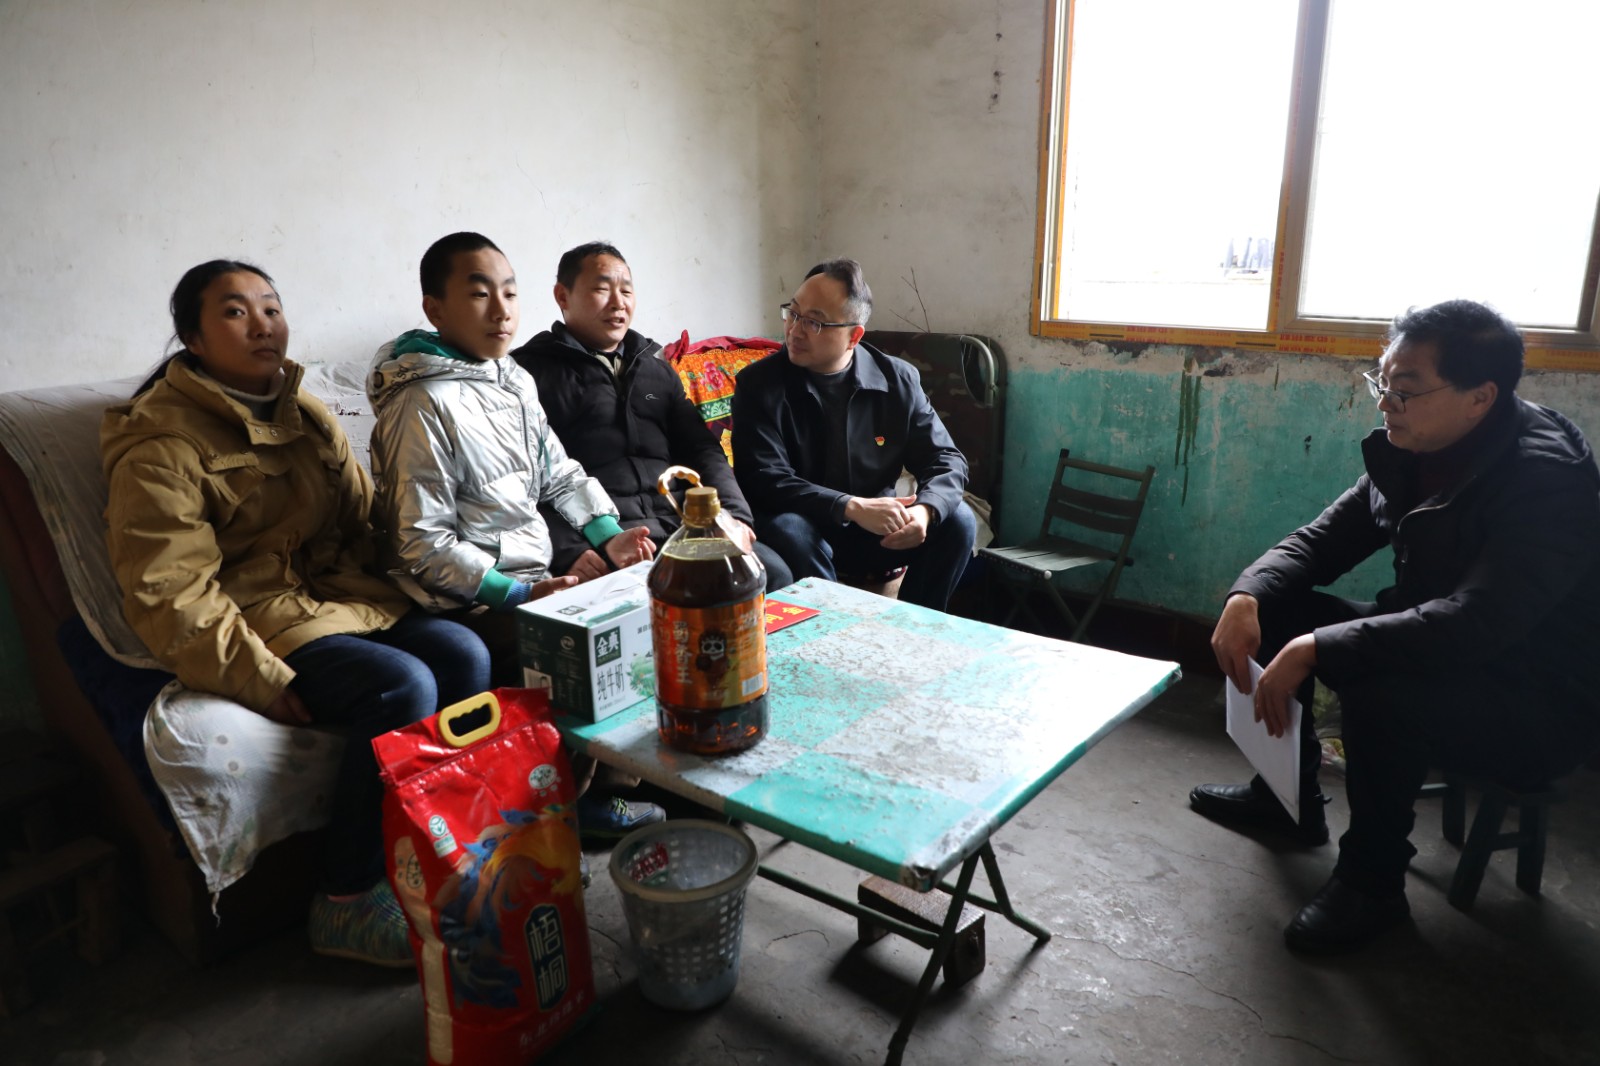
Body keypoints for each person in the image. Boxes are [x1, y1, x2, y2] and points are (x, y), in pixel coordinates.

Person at [102, 259, 492, 967]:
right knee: (400, 686)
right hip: (259, 620)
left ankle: (434, 845)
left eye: (271, 308)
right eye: (235, 312)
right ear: (193, 338)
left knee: (465, 651)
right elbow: (169, 591)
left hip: (338, 599)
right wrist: (254, 677)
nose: (262, 325)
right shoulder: (160, 444)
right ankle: (346, 895)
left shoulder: (301, 410)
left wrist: (463, 572)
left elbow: (362, 520)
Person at [1190, 299, 1600, 953]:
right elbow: (1321, 541)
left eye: (1405, 390)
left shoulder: (1546, 480)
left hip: (1532, 696)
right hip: (1444, 642)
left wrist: (1322, 647)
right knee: (1279, 609)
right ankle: (1285, 796)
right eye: (1381, 384)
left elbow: (1479, 622)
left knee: (1381, 688)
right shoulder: (1416, 447)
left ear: (1480, 398)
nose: (1385, 404)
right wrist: (1247, 594)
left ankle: (1372, 884)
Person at [366, 231, 664, 843]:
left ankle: (602, 789)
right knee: (581, 647)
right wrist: (518, 595)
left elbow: (559, 473)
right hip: (463, 598)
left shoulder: (510, 379)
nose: (501, 311)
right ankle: (559, 813)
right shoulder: (421, 403)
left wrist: (609, 537)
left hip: (528, 578)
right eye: (480, 294)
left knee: (643, 610)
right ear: (435, 309)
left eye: (509, 292)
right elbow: (420, 544)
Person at [510, 241, 792, 590]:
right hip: (608, 541)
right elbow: (521, 482)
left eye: (626, 291)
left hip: (683, 527)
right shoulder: (529, 375)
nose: (619, 303)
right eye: (602, 289)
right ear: (562, 296)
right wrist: (568, 549)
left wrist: (731, 516)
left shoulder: (654, 368)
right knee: (651, 597)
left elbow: (703, 450)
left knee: (773, 574)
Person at [731, 258, 977, 611]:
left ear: (854, 336)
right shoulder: (759, 384)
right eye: (793, 313)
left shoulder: (897, 380)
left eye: (814, 322)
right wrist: (849, 506)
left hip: (874, 531)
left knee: (958, 520)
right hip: (804, 526)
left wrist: (925, 511)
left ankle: (914, 627)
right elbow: (764, 478)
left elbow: (946, 458)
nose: (795, 330)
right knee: (790, 528)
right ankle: (831, 629)